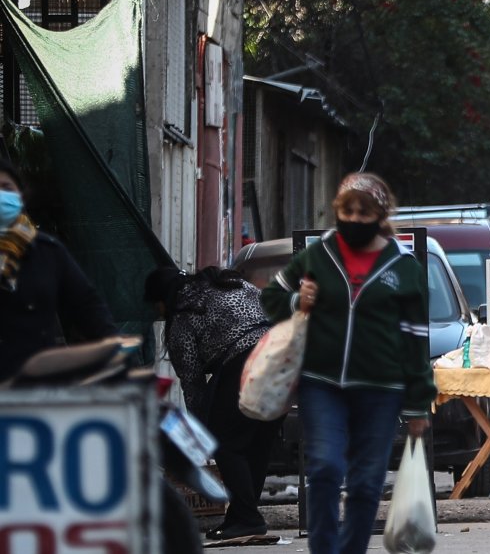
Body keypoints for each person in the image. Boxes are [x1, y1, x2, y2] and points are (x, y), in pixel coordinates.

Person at [260, 173, 435, 554]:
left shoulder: (404, 267)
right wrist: (297, 302)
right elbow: (272, 295)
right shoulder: (318, 255)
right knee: (323, 468)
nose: (354, 218)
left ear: (380, 214)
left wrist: (419, 402)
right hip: (322, 383)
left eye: (364, 211)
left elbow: (416, 340)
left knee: (366, 482)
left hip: (381, 389)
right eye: (347, 210)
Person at [143, 265, 282, 541]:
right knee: (257, 443)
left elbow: (192, 381)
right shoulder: (234, 285)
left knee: (226, 442)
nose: (157, 312)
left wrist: (202, 430)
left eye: (155, 304)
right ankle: (242, 518)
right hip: (281, 361)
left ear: (163, 297)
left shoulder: (183, 314)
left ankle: (248, 520)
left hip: (245, 366)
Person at [0, 157, 116, 380]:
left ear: (21, 196)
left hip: (37, 390)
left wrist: (115, 349)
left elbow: (87, 305)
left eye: (6, 188)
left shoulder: (47, 251)